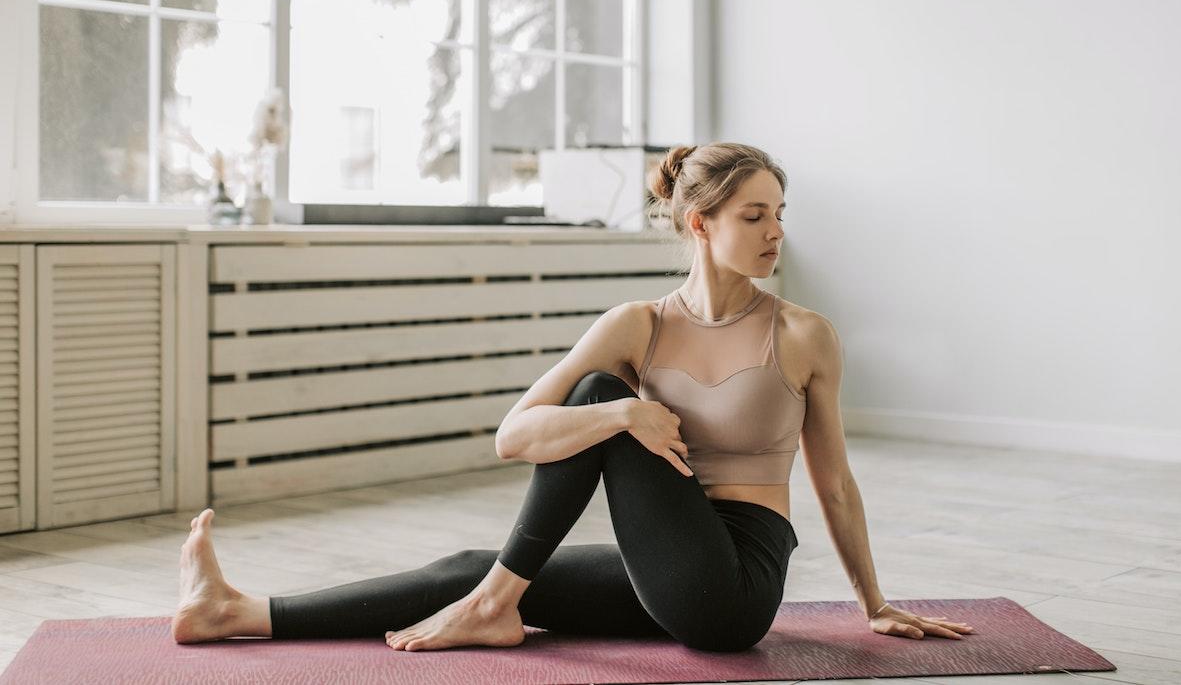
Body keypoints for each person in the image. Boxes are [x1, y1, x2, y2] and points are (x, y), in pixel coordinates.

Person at [170, 142, 975, 651]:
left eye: (779, 214)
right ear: (698, 222)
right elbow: (512, 436)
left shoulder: (803, 333)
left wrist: (875, 602)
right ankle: (236, 612)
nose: (776, 232)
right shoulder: (637, 324)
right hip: (667, 558)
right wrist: (623, 409)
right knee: (471, 557)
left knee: (591, 398)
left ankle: (494, 600)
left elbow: (832, 480)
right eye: (753, 214)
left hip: (735, 582)